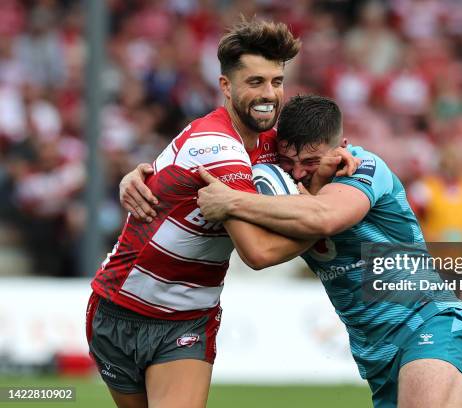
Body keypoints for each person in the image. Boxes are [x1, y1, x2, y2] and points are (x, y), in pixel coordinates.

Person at [125, 95, 462, 407]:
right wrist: (135, 179)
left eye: (311, 163)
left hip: (431, 326)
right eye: (289, 163)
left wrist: (233, 201)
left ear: (340, 147)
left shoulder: (364, 168)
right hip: (378, 357)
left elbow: (324, 217)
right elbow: (258, 251)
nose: (297, 174)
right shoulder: (280, 185)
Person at [87, 20, 357, 408]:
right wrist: (323, 222)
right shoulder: (217, 146)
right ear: (226, 87)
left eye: (276, 82)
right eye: (256, 82)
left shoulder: (269, 142)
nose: (269, 95)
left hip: (188, 319)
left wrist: (344, 156)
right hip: (118, 308)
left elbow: (314, 157)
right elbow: (258, 253)